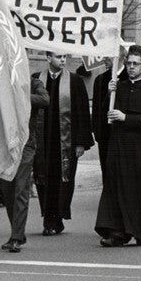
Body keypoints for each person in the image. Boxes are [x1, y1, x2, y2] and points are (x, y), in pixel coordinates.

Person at [96, 46, 141, 247]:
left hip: (139, 149)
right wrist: (108, 94)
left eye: (135, 64)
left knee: (137, 189)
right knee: (115, 187)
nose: (130, 67)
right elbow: (106, 116)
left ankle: (139, 231)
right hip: (118, 145)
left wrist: (126, 117)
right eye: (128, 63)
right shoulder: (118, 87)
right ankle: (117, 231)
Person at [34, 52, 93, 236]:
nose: (62, 60)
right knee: (43, 178)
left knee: (63, 179)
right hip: (42, 142)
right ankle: (48, 218)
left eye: (64, 57)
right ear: (48, 58)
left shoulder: (74, 81)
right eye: (58, 56)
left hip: (66, 142)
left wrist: (81, 142)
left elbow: (83, 112)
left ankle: (57, 218)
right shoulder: (37, 79)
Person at [0, 73, 51, 253]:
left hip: (26, 143)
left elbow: (45, 99)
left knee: (21, 189)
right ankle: (17, 232)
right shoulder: (2, 79)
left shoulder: (34, 82)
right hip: (5, 143)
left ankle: (16, 236)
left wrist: (19, 95)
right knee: (7, 190)